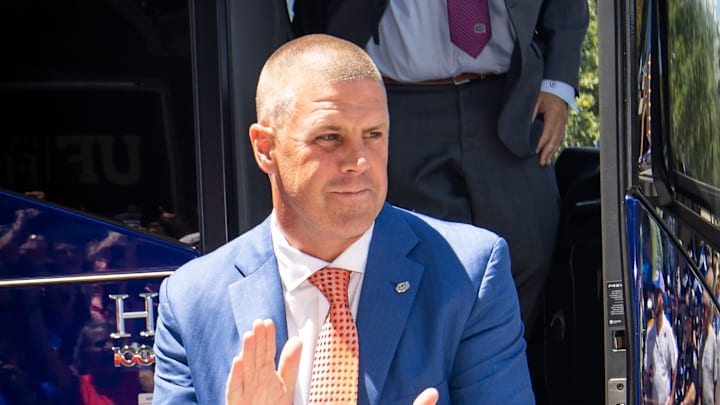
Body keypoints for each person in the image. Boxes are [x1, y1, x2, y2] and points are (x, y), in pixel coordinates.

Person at [152, 33, 533, 404]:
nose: (359, 161)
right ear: (265, 148)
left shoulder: (468, 275)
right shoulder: (191, 302)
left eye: (373, 134)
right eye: (330, 137)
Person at [291, 0, 589, 339]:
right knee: (421, 270)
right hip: (397, 104)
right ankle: (440, 384)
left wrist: (557, 83)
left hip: (509, 97)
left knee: (527, 255)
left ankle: (499, 379)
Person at [643, 286, 678, 405]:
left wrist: (671, 397)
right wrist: (646, 393)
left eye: (657, 297)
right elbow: (646, 368)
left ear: (662, 300)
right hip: (654, 398)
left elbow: (675, 367)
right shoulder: (650, 333)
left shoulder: (668, 331)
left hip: (665, 398)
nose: (655, 301)